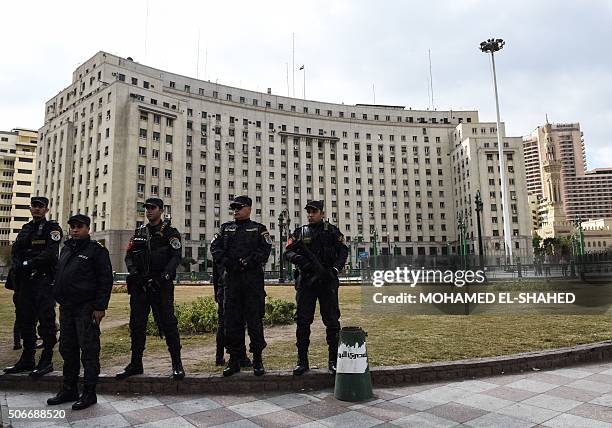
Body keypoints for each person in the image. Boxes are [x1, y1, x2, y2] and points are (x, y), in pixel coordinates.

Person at [47, 214, 113, 410]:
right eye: (72, 226)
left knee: (89, 351)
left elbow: (105, 280)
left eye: (79, 226)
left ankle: (89, 393)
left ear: (87, 229)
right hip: (67, 307)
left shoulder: (96, 251)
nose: (75, 229)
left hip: (86, 308)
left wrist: (100, 307)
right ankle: (69, 389)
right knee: (67, 349)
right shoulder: (66, 248)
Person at [117, 198, 185, 380]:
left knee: (169, 324)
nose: (148, 211)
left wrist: (163, 277)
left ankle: (177, 364)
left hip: (160, 286)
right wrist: (134, 273)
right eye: (146, 208)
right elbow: (129, 256)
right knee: (137, 325)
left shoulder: (170, 232)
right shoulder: (139, 232)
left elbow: (176, 257)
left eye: (152, 208)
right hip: (140, 286)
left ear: (161, 210)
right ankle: (135, 363)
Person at [285, 200, 348, 375]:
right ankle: (302, 360)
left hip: (327, 281)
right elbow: (288, 251)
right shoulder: (300, 232)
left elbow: (343, 251)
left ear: (322, 213)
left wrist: (335, 269)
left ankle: (333, 360)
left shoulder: (332, 231)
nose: (311, 215)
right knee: (303, 321)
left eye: (314, 212)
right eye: (309, 212)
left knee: (332, 321)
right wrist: (302, 261)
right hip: (306, 282)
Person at [211, 196, 272, 377]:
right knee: (231, 322)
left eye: (239, 207)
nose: (236, 210)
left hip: (252, 281)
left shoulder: (259, 229)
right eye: (234, 208)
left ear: (249, 209)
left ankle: (258, 360)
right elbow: (215, 248)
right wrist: (229, 262)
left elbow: (264, 251)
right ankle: (234, 359)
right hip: (232, 281)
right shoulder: (225, 228)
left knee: (254, 321)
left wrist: (247, 262)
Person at [4, 196, 62, 377]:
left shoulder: (53, 229)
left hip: (43, 281)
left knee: (46, 322)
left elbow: (50, 254)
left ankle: (46, 360)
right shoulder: (25, 229)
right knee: (24, 320)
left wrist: (29, 264)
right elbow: (15, 251)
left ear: (46, 209)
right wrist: (18, 265)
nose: (36, 209)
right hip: (24, 283)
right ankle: (27, 358)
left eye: (40, 206)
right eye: (34, 206)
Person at [213, 261, 251, 368]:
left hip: (223, 288)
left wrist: (216, 292)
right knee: (239, 323)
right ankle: (240, 356)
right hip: (234, 287)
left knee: (223, 324)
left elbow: (216, 273)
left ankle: (219, 356)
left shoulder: (220, 247)